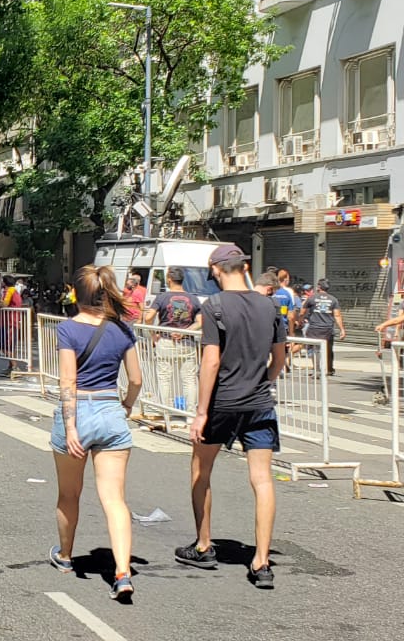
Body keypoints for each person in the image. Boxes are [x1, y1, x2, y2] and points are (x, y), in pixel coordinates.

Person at [176, 244, 285, 590]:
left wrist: (201, 412)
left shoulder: (215, 306)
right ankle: (261, 560)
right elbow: (279, 359)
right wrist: (262, 382)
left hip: (223, 402)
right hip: (259, 403)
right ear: (245, 267)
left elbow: (211, 361)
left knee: (201, 469)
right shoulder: (269, 305)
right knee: (262, 480)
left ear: (217, 270)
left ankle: (204, 544)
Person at [49, 265, 142, 601]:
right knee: (115, 499)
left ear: (76, 294)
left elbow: (67, 382)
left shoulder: (68, 330)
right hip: (111, 413)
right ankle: (122, 572)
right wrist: (127, 406)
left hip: (80, 413)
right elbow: (135, 380)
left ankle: (65, 555)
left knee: (69, 494)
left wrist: (71, 427)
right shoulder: (122, 329)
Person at [143, 267, 201, 413]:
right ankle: (190, 413)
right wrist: (185, 331)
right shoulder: (193, 298)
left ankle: (165, 411)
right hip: (187, 342)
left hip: (166, 340)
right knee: (189, 379)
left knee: (164, 377)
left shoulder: (162, 297)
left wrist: (153, 333)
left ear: (169, 279)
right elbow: (200, 321)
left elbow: (148, 317)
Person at [296, 279, 345, 376]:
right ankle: (329, 369)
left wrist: (300, 320)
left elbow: (302, 312)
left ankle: (317, 370)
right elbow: (337, 315)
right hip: (328, 328)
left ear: (319, 287)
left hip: (314, 328)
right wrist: (342, 329)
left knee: (315, 349)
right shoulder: (333, 299)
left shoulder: (312, 298)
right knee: (328, 349)